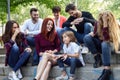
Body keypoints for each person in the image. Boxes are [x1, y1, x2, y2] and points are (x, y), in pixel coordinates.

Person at [84, 11, 120, 80]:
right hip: (101, 46)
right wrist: (93, 34)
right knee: (87, 37)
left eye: (106, 19)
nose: (103, 20)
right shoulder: (98, 23)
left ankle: (107, 70)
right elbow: (94, 35)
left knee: (105, 43)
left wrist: (105, 24)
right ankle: (97, 58)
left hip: (111, 47)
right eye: (102, 19)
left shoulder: (115, 25)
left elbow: (106, 39)